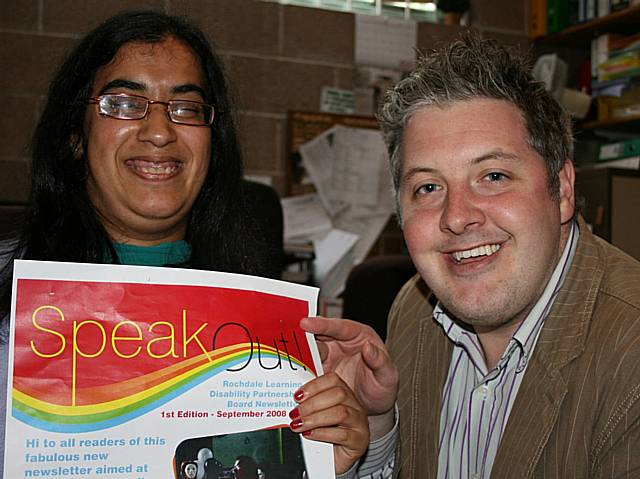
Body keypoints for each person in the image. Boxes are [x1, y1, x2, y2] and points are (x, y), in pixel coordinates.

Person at [0, 10, 368, 478]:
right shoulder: (11, 293)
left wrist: (332, 460)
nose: (159, 132)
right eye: (125, 103)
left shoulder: (266, 327)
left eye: (187, 108)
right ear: (75, 134)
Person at [300, 31, 640, 478]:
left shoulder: (630, 354)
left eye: (494, 175)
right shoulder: (415, 306)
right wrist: (377, 429)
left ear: (561, 190)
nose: (456, 217)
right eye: (428, 187)